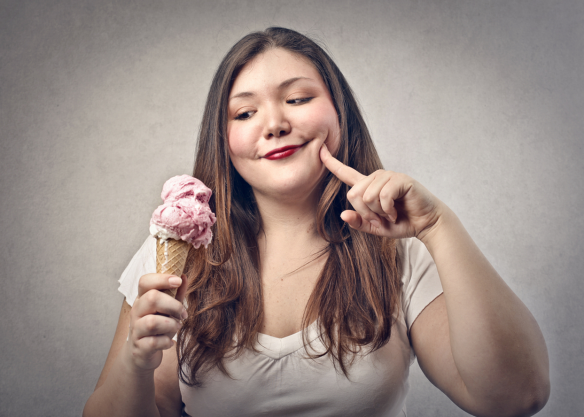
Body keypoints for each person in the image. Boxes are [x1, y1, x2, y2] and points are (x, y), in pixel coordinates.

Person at [83, 27, 550, 417]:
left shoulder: (402, 250)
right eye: (245, 112)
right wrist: (136, 363)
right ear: (223, 141)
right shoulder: (179, 254)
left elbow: (516, 397)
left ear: (339, 113)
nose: (274, 124)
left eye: (298, 98)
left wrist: (438, 226)